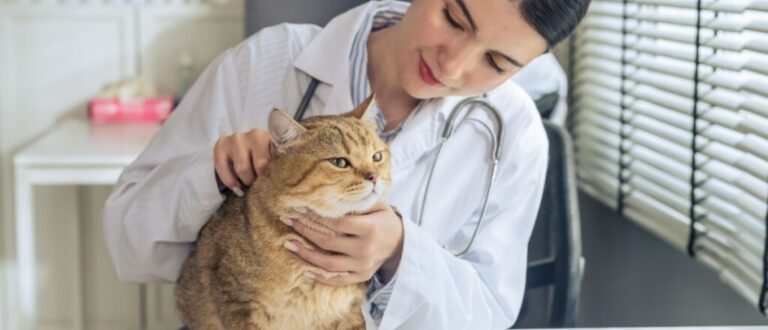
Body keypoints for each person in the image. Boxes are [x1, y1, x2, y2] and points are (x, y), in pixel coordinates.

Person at [102, 0, 590, 328]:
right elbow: (127, 240)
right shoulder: (266, 61)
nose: (453, 65)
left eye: (498, 63)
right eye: (454, 19)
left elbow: (490, 312)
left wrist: (402, 254)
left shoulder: (515, 130)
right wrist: (209, 177)